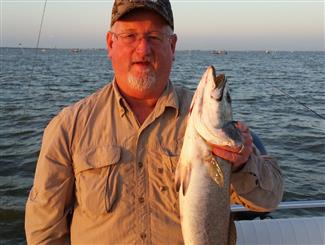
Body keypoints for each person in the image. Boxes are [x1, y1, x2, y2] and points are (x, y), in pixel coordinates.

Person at [25, 0, 283, 244]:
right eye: (129, 36)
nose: (143, 49)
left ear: (172, 46)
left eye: (154, 37)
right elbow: (44, 229)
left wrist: (242, 163)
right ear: (110, 43)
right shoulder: (68, 126)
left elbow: (269, 200)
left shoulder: (210, 119)